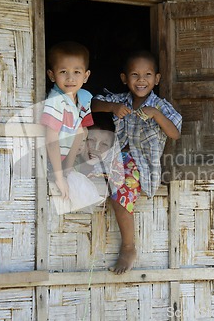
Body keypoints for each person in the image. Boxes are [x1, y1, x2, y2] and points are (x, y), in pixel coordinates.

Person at [92, 50, 182, 274]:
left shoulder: (160, 106)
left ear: (157, 79)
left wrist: (156, 115)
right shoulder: (121, 100)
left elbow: (175, 133)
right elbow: (92, 104)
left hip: (140, 165)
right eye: (135, 75)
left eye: (148, 75)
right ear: (125, 78)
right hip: (115, 156)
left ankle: (129, 247)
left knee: (120, 194)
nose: (141, 80)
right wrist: (112, 108)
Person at [40, 41, 94, 200]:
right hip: (49, 162)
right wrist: (59, 177)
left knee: (82, 130)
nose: (70, 78)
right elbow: (51, 141)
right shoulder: (55, 101)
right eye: (63, 71)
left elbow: (80, 134)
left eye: (77, 72)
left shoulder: (83, 98)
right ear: (51, 75)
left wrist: (68, 172)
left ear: (86, 76)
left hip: (67, 161)